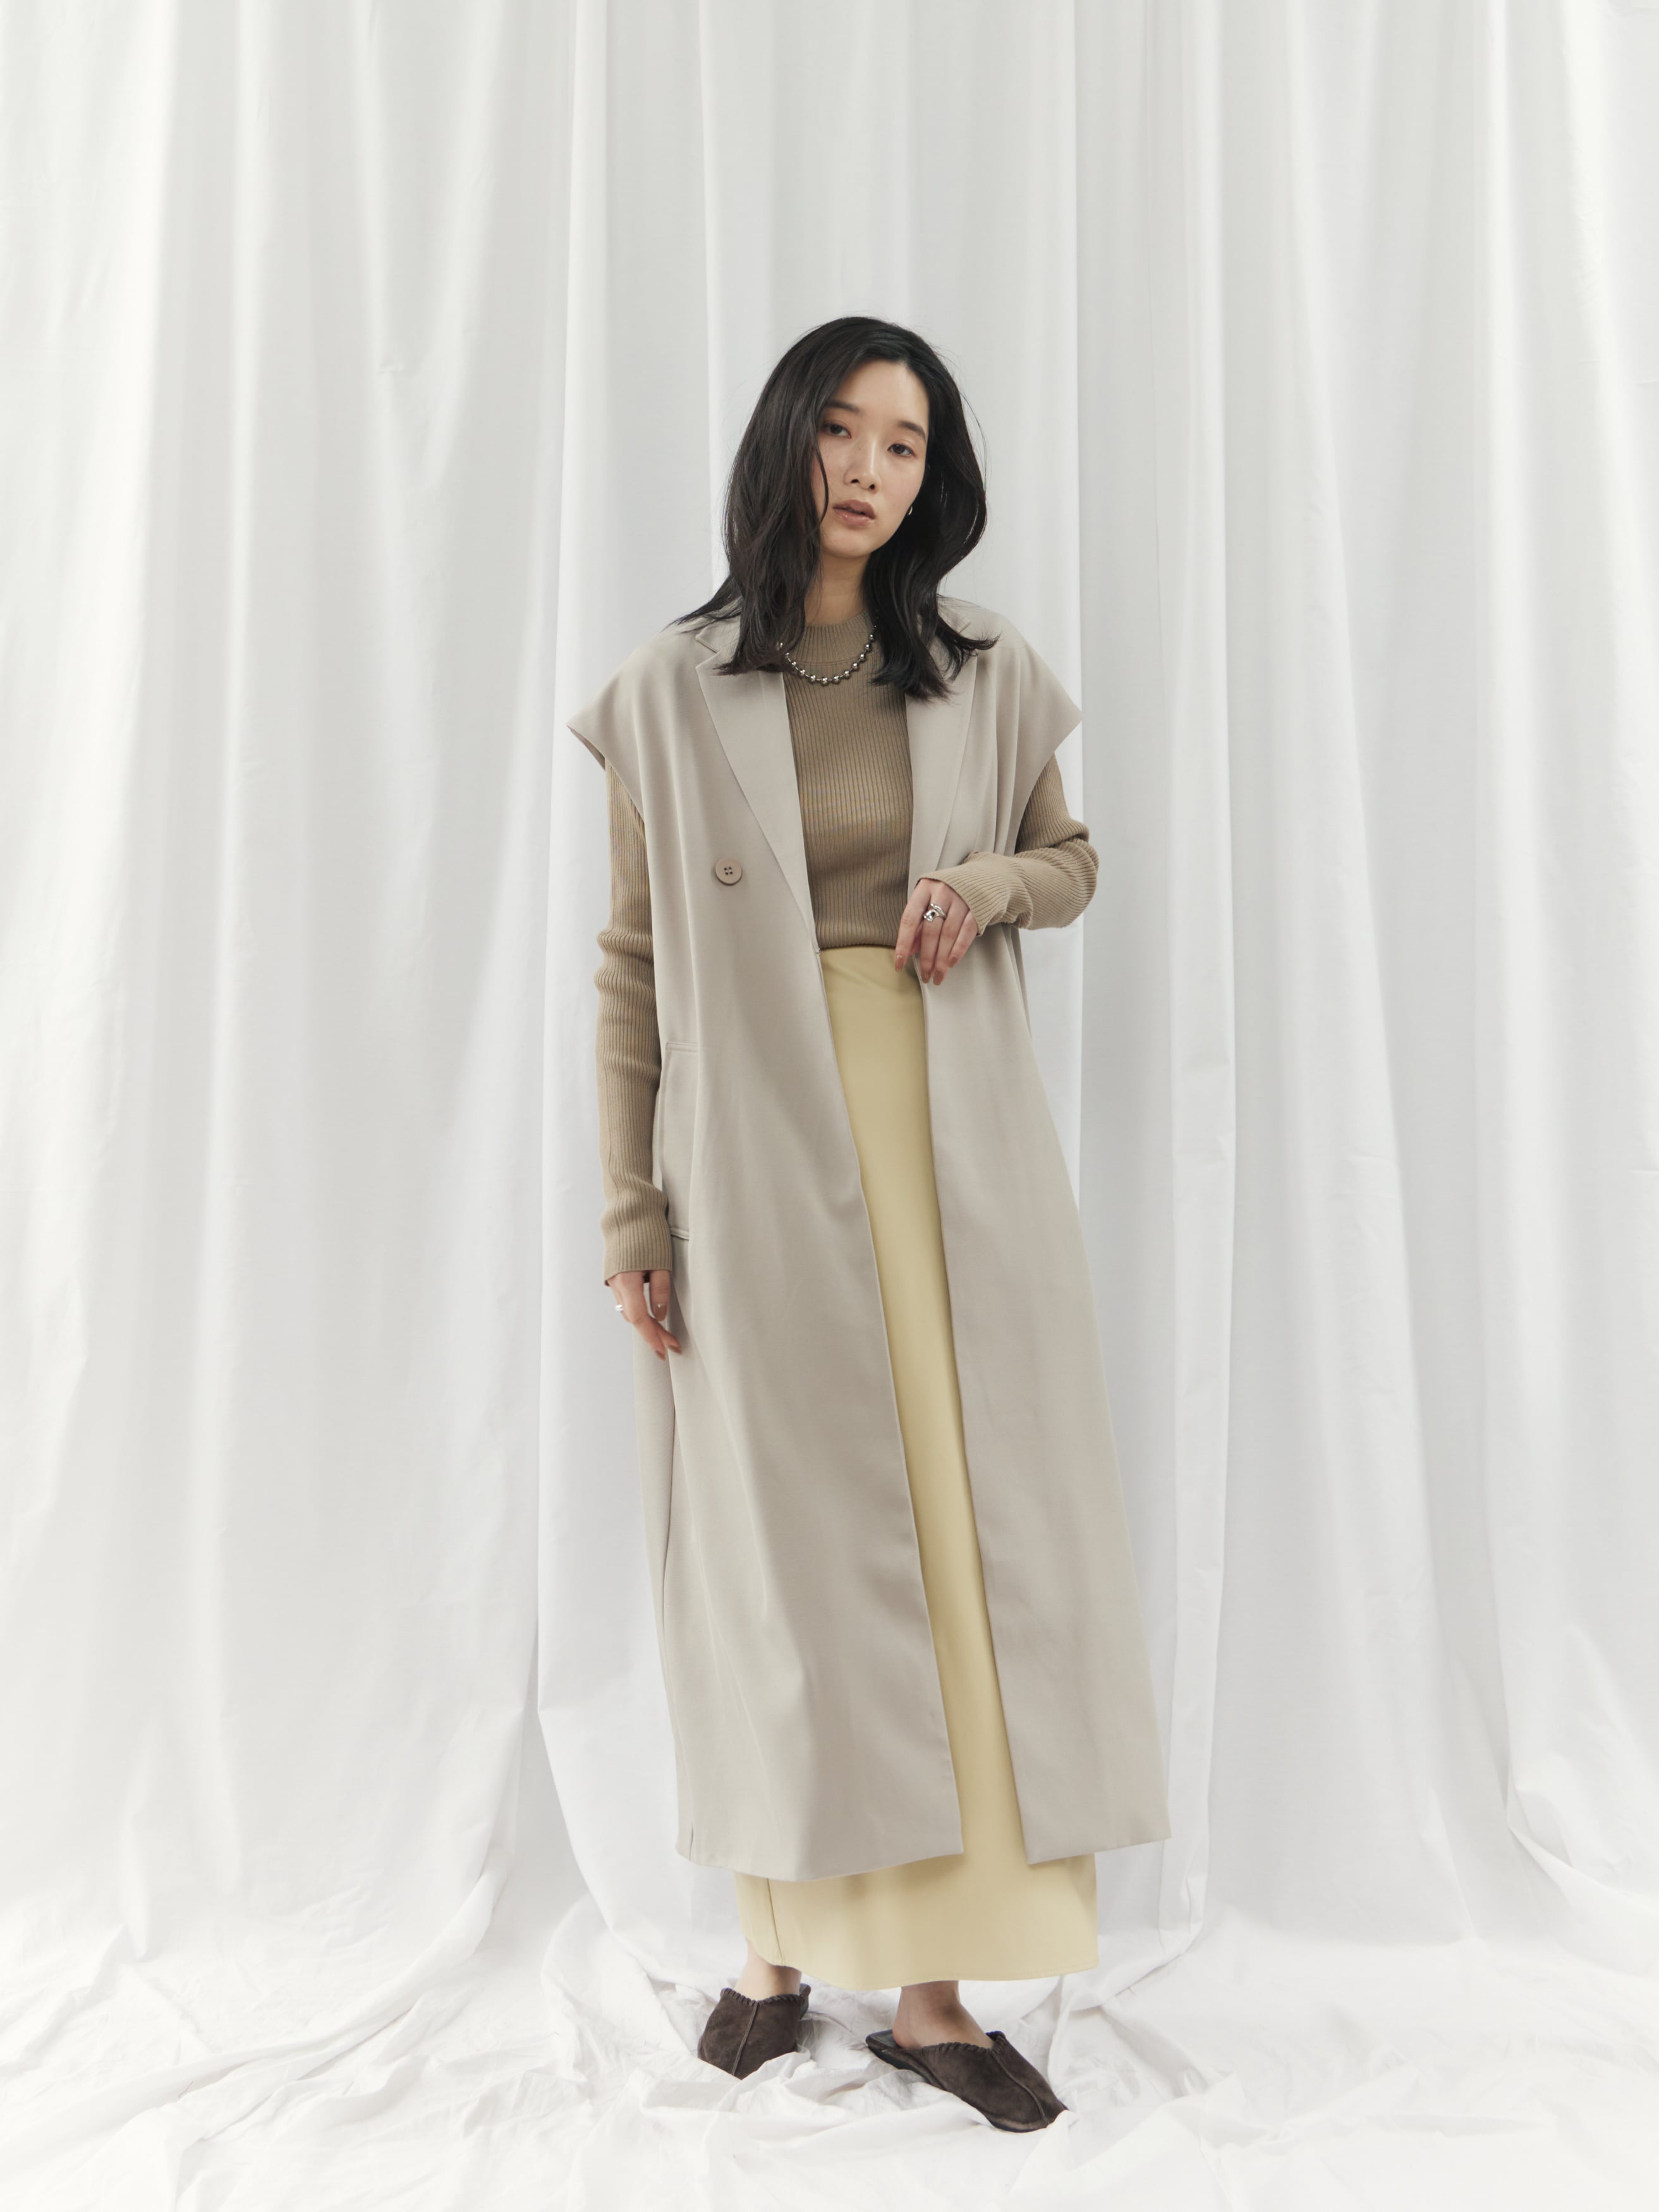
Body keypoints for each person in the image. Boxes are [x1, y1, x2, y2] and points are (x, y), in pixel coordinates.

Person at [573, 316, 1170, 2134]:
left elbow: (1074, 859)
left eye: (904, 444)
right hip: (750, 1152)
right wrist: (631, 1203)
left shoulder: (980, 667)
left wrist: (983, 884)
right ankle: (773, 1955)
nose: (867, 468)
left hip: (947, 1136)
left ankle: (928, 1999)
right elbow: (631, 962)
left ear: (933, 476)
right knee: (783, 1548)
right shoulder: (671, 688)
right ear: (787, 440)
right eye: (842, 430)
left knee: (956, 1535)